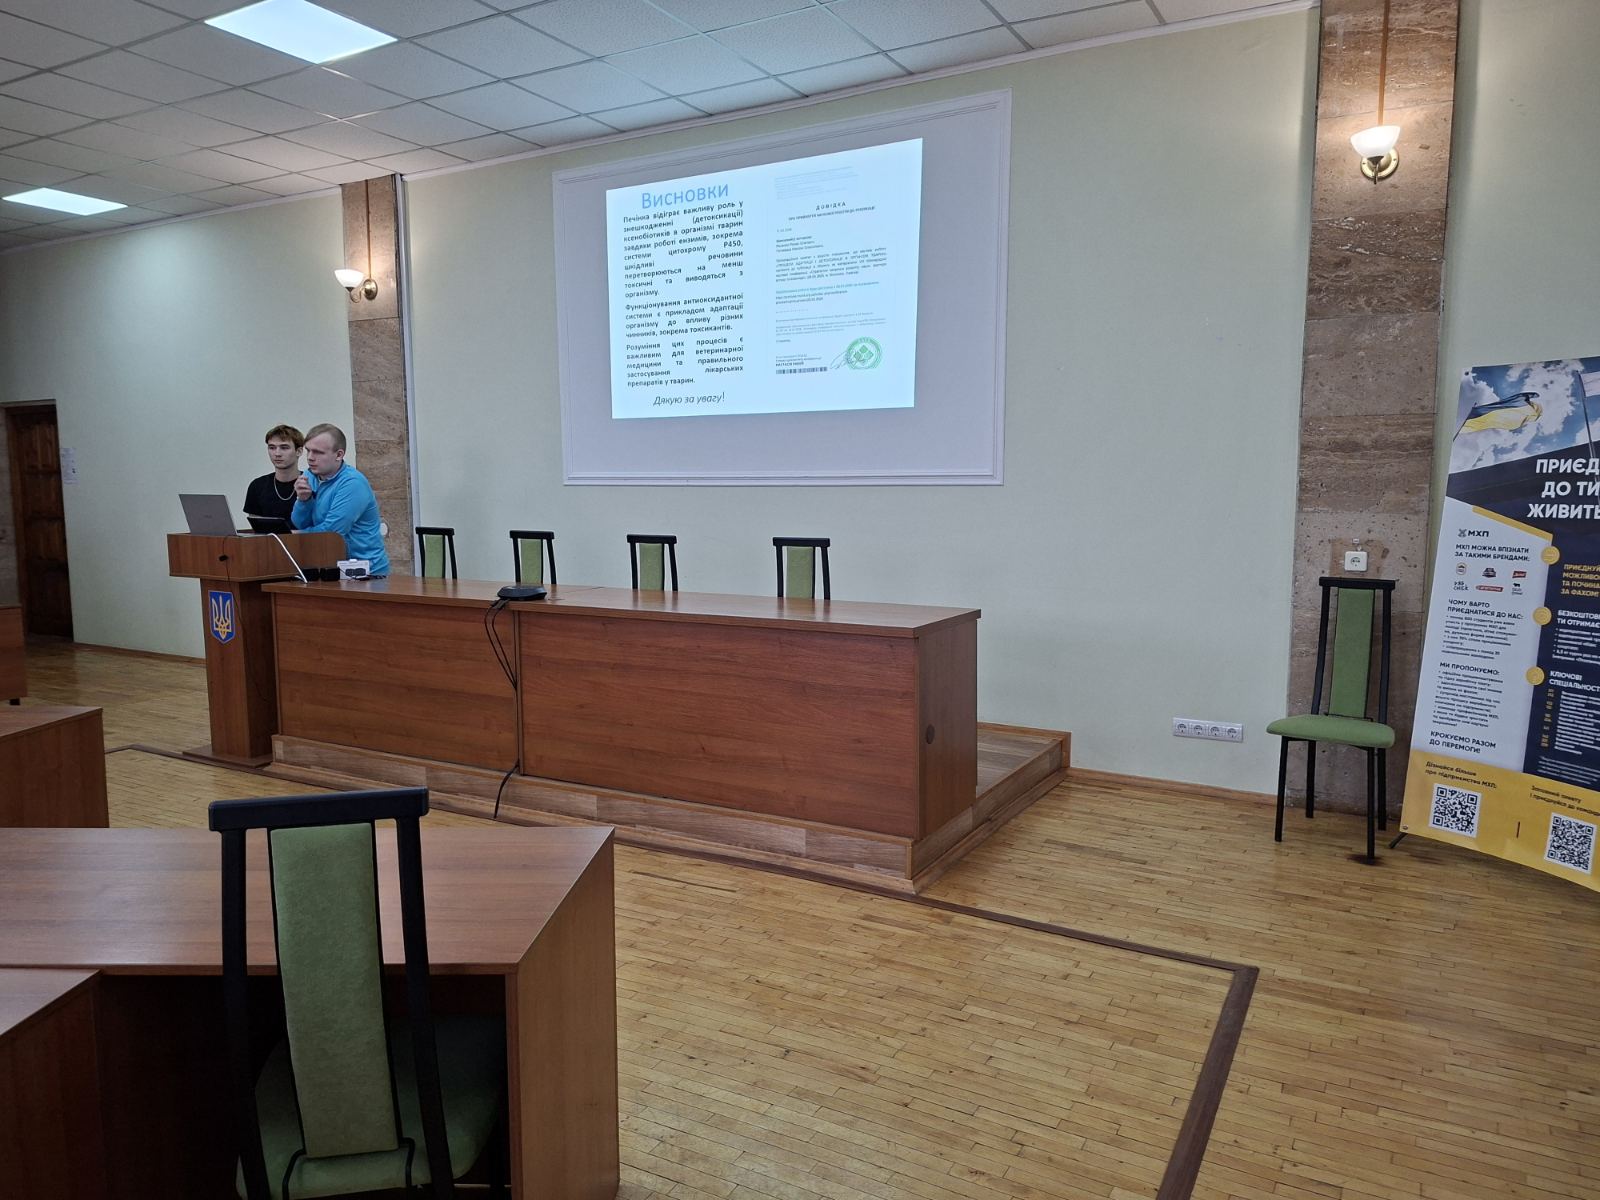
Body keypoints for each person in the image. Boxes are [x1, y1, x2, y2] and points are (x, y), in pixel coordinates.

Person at [291, 423, 390, 577]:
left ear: (339, 455)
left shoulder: (352, 483)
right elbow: (301, 523)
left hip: (366, 572)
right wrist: (303, 500)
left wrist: (293, 536)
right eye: (308, 450)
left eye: (318, 452)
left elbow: (332, 532)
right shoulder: (309, 476)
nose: (310, 458)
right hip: (329, 565)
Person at [242, 424, 303, 526]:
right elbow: (257, 529)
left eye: (284, 448)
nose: (277, 453)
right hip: (268, 537)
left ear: (299, 451)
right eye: (272, 448)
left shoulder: (312, 483)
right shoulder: (257, 486)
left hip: (307, 536)